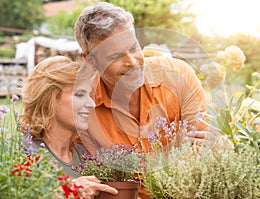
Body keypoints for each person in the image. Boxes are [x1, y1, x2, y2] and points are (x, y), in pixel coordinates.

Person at [74, 2, 219, 198]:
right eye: (116, 56)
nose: (132, 62)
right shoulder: (81, 105)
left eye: (134, 47)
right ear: (91, 61)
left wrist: (218, 145)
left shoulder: (177, 76)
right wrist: (68, 185)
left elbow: (206, 145)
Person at [20, 56, 118, 198]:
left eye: (90, 95)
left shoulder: (84, 156)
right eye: (79, 94)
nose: (91, 104)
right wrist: (67, 191)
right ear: (49, 99)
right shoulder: (22, 150)